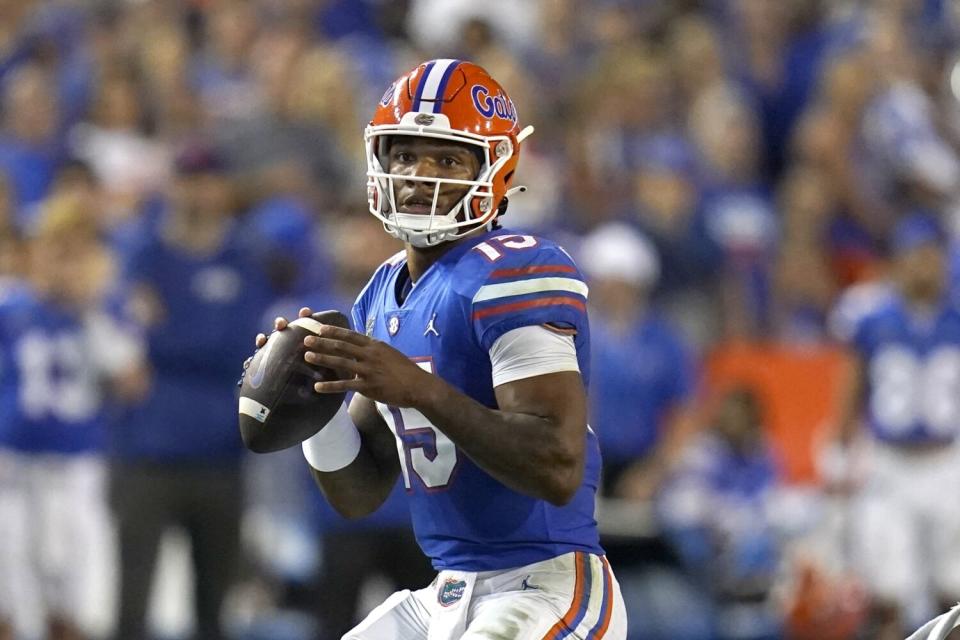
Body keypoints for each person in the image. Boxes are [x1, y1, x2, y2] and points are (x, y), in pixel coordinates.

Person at [253, 59, 627, 639]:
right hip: (447, 590)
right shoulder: (381, 292)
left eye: (447, 158)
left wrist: (419, 388)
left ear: (495, 169)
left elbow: (555, 465)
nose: (419, 174)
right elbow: (360, 492)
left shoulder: (521, 270)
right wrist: (314, 409)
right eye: (404, 155)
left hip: (546, 586)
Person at [0, 194, 143, 640]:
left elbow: (132, 381)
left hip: (77, 465)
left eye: (76, 251)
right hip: (12, 464)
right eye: (56, 248)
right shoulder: (9, 306)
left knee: (77, 597)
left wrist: (91, 312)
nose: (64, 263)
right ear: (35, 250)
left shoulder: (105, 310)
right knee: (12, 589)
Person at [828, 213, 960, 640]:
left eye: (932, 255)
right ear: (898, 261)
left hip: (947, 459)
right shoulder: (872, 318)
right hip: (890, 463)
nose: (925, 265)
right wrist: (838, 447)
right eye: (916, 255)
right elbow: (851, 387)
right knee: (890, 596)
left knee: (954, 596)